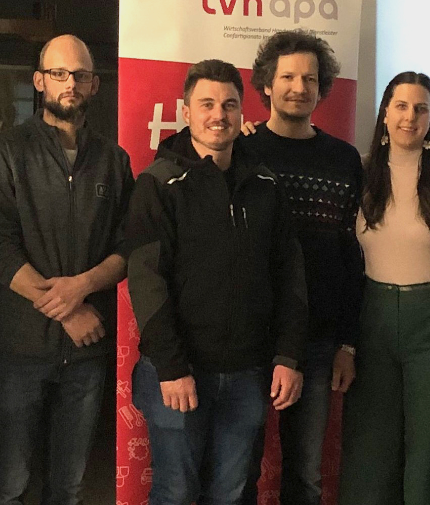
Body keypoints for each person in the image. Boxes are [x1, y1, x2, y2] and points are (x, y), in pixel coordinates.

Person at [126, 59, 308, 505]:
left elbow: (290, 275)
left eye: (229, 104)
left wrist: (288, 354)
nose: (218, 115)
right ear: (186, 111)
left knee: (232, 494)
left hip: (248, 372)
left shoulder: (265, 184)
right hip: (178, 371)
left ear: (242, 112)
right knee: (175, 492)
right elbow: (146, 281)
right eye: (206, 104)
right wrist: (172, 367)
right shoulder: (159, 183)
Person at [0, 34, 134, 504]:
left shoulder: (113, 160)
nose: (71, 83)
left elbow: (128, 245)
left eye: (81, 75)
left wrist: (83, 286)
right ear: (39, 80)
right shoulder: (6, 152)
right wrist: (68, 309)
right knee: (10, 485)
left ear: (95, 85)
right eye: (59, 73)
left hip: (86, 352)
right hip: (19, 348)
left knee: (69, 486)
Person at [239, 30, 363, 505]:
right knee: (238, 472)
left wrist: (347, 343)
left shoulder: (344, 160)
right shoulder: (242, 150)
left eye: (310, 78)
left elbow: (352, 256)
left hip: (318, 338)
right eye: (288, 76)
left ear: (322, 87)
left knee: (306, 476)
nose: (299, 87)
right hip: (249, 337)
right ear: (267, 84)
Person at [338, 72, 430, 505]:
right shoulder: (358, 171)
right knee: (371, 445)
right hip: (371, 317)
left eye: (421, 109)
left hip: (426, 319)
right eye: (401, 106)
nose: (410, 117)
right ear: (385, 113)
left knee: (425, 443)